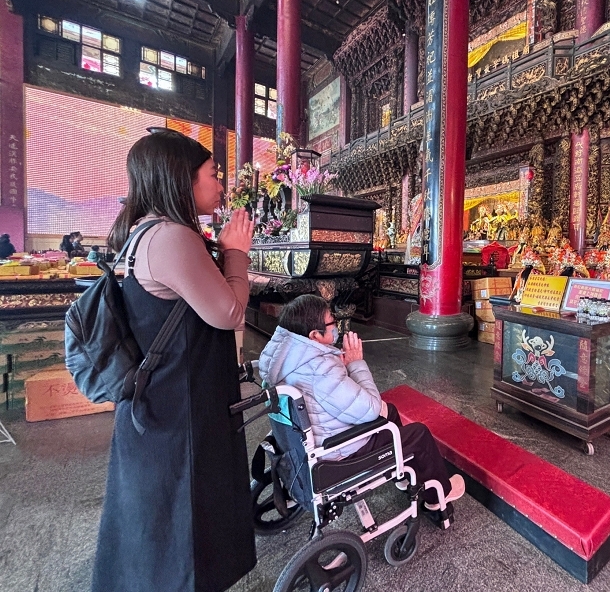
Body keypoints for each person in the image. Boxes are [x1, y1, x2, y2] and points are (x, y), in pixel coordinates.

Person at [91, 128, 256, 592]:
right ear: (182, 178)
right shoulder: (172, 237)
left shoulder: (141, 229)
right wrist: (236, 254)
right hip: (181, 404)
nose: (220, 184)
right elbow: (229, 312)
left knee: (156, 510)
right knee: (186, 505)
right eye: (212, 173)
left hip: (157, 397)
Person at [258, 294, 465, 511]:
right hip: (338, 455)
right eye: (331, 322)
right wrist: (357, 364)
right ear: (314, 335)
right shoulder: (319, 369)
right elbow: (371, 409)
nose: (336, 326)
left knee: (391, 412)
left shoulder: (283, 362)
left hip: (308, 445)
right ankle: (438, 496)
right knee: (419, 434)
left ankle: (402, 470)